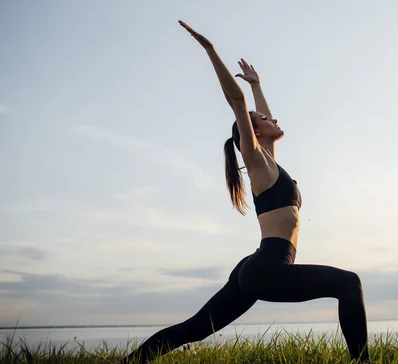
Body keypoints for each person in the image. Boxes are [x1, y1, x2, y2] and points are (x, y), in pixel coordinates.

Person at [119, 21, 370, 363]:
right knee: (349, 284)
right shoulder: (256, 164)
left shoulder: (270, 162)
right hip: (267, 268)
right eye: (262, 118)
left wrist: (257, 85)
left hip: (256, 267)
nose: (272, 118)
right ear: (252, 133)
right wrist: (211, 51)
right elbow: (236, 101)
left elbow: (260, 118)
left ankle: (132, 361)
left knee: (194, 328)